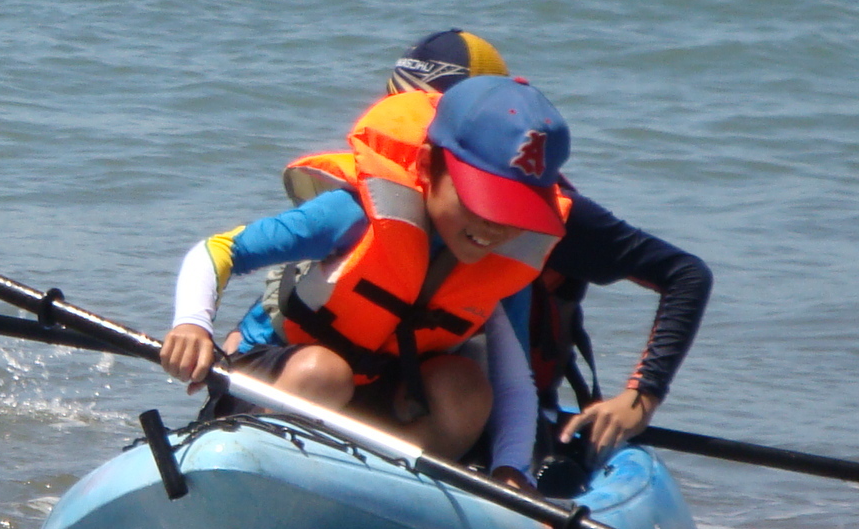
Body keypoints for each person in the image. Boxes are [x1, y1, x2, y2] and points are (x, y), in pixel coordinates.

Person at [324, 30, 713, 489]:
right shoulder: (376, 186)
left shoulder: (548, 216)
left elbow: (684, 274)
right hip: (377, 385)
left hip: (497, 409)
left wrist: (641, 396)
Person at [161, 76, 572, 478]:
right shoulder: (355, 214)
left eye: (514, 212)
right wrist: (192, 324)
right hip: (275, 384)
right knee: (324, 373)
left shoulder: (503, 264)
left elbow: (515, 381)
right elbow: (218, 250)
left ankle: (384, 485)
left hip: (377, 409)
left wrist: (513, 471)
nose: (493, 226)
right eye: (482, 200)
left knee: (465, 388)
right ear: (428, 165)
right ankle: (250, 468)